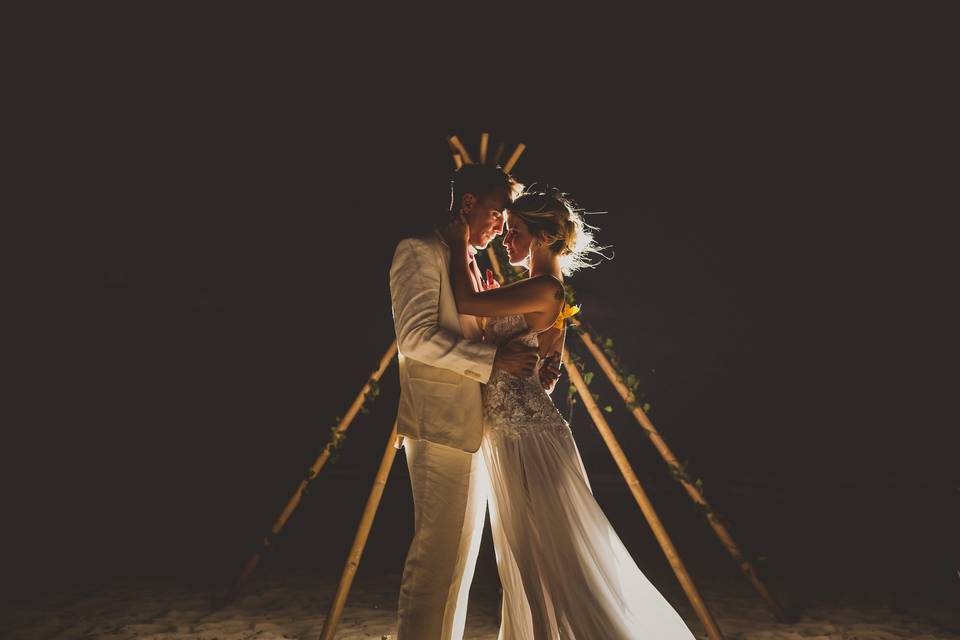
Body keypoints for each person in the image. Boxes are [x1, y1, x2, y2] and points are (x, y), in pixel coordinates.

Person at [443, 188, 698, 639]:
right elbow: (546, 369)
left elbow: (465, 304)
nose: (505, 240)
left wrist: (460, 241)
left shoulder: (543, 288)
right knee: (527, 555)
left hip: (526, 436)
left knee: (547, 554)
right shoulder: (541, 290)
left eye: (515, 232)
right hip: (512, 432)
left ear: (542, 237)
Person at [388, 164, 561, 639]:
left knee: (458, 568)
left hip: (482, 428)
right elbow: (416, 339)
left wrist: (534, 362)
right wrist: (492, 361)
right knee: (434, 563)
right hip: (440, 426)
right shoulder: (419, 251)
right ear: (468, 204)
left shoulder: (473, 263)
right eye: (498, 210)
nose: (503, 223)